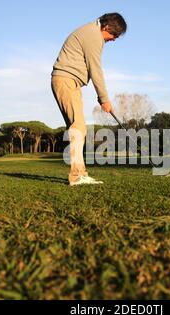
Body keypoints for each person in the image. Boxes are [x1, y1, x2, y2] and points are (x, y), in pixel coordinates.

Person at [51, 13, 127, 186]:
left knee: (77, 127)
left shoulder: (91, 31)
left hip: (69, 82)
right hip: (66, 81)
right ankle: (77, 176)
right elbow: (96, 70)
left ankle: (80, 173)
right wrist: (104, 99)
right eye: (114, 35)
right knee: (78, 127)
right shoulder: (94, 35)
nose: (114, 40)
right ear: (107, 27)